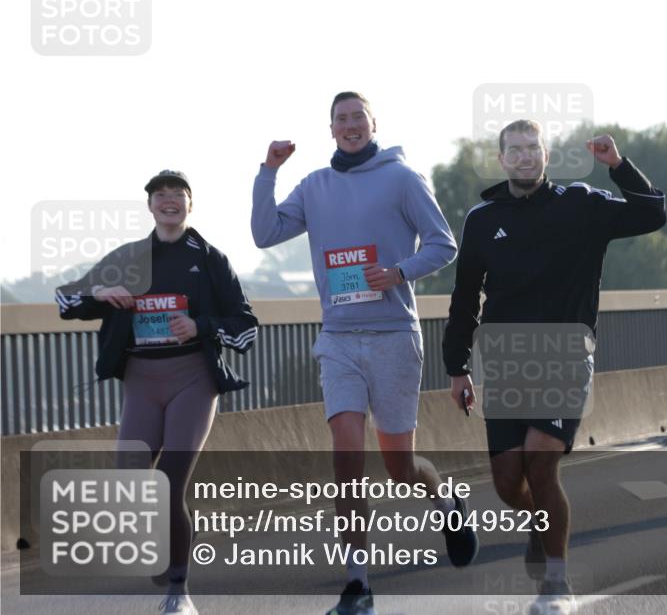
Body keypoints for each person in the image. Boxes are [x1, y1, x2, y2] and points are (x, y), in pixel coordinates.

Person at [251, 92, 476, 615]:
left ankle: (446, 503)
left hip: (395, 335)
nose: (350, 126)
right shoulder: (315, 186)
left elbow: (444, 244)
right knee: (346, 460)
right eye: (341, 120)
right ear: (330, 130)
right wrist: (268, 172)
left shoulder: (401, 178)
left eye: (358, 118)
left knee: (399, 467)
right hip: (339, 341)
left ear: (374, 124)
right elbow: (264, 234)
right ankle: (358, 585)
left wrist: (397, 272)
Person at [442, 119, 667, 615]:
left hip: (566, 355)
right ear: (501, 159)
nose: (524, 157)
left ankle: (557, 587)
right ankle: (540, 522)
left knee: (542, 465)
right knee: (507, 482)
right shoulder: (482, 219)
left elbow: (652, 214)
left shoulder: (582, 204)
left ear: (546, 155)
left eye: (532, 148)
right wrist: (456, 368)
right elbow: (464, 300)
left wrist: (618, 166)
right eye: (514, 150)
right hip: (502, 359)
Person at [55, 170, 259, 615]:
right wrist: (100, 290)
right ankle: (169, 537)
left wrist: (201, 326)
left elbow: (245, 325)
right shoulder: (129, 257)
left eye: (178, 196)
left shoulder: (209, 259)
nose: (169, 202)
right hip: (141, 382)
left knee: (168, 484)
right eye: (160, 196)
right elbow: (65, 299)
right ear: (149, 206)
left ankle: (178, 593)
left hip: (192, 380)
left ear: (191, 204)